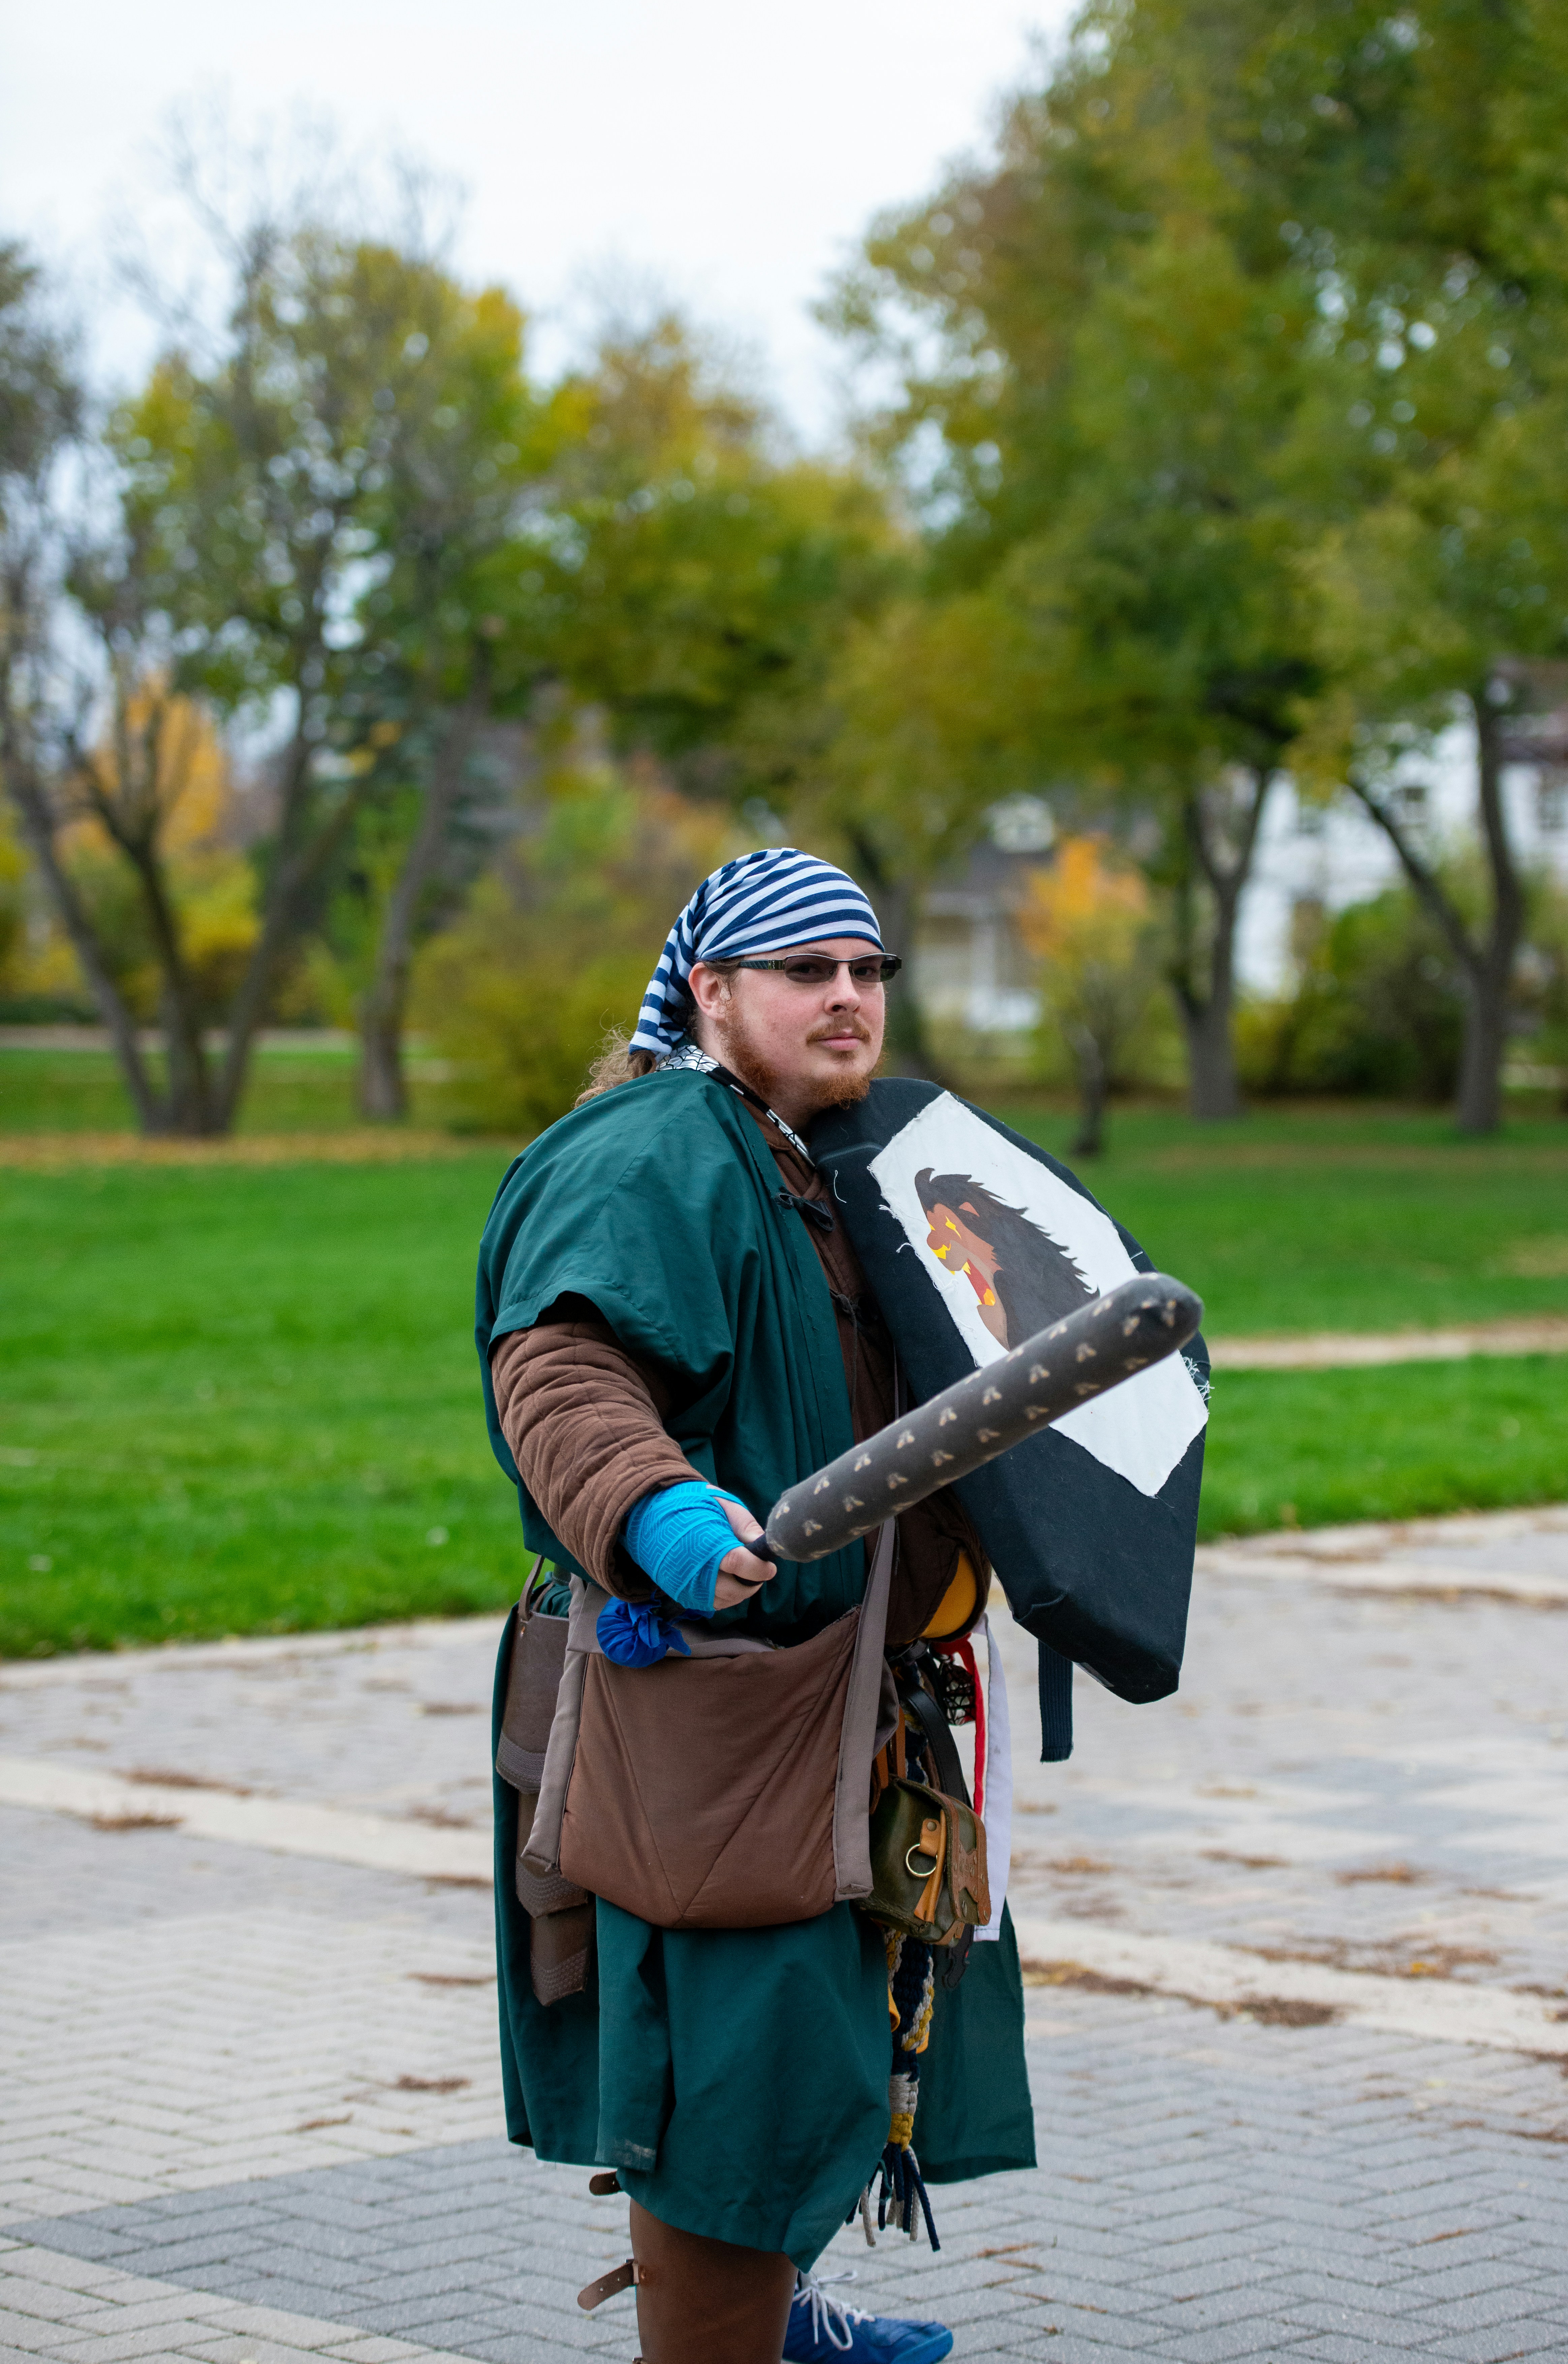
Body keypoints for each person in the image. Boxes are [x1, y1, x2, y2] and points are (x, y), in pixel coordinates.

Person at [477, 848, 1035, 2364]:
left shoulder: (823, 1152)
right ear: (711, 992)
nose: (849, 996)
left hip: (827, 1687)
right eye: (807, 970)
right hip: (698, 1701)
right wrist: (651, 1508)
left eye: (868, 970)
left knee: (806, 2043)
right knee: (732, 2075)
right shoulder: (657, 1148)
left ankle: (772, 2321)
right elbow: (563, 1363)